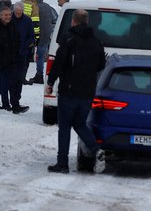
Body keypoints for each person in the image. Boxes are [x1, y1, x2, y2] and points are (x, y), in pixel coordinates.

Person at [46, 9, 107, 174]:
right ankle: (96, 150)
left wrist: (51, 82)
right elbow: (101, 65)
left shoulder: (68, 40)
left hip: (69, 91)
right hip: (87, 92)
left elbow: (58, 63)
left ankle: (62, 163)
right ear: (87, 22)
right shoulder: (96, 42)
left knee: (64, 127)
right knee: (80, 124)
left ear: (73, 22)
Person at [29, 0, 56, 85]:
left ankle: (39, 75)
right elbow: (53, 19)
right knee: (42, 55)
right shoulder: (48, 6)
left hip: (37, 34)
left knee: (38, 56)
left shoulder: (34, 7)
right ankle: (40, 74)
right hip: (47, 34)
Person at [23, 0, 41, 84]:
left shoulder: (20, 3)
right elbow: (35, 23)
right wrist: (36, 38)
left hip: (18, 35)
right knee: (26, 58)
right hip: (28, 36)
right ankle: (22, 78)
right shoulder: (34, 6)